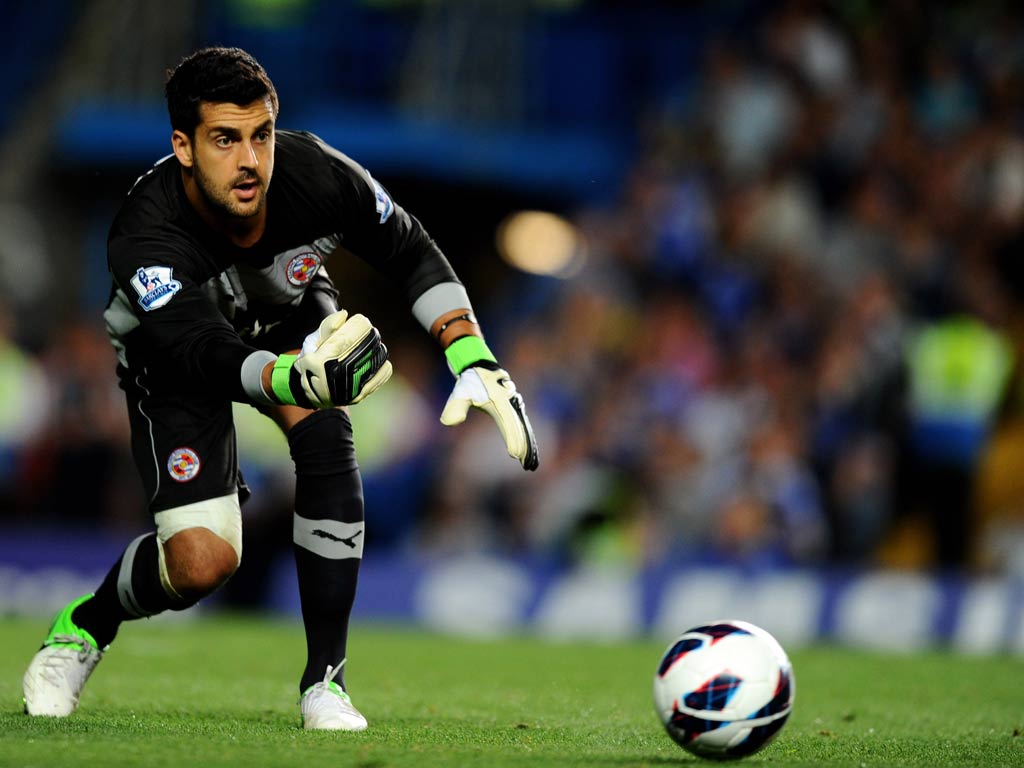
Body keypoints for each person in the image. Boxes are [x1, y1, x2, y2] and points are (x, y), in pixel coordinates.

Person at [21, 46, 539, 730]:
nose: (250, 160)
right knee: (203, 565)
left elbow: (410, 249)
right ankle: (83, 628)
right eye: (224, 139)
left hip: (286, 314)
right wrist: (288, 374)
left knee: (327, 432)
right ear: (183, 145)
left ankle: (325, 681)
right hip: (175, 352)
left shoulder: (315, 173)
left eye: (260, 135)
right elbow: (201, 350)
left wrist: (472, 354)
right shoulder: (145, 233)